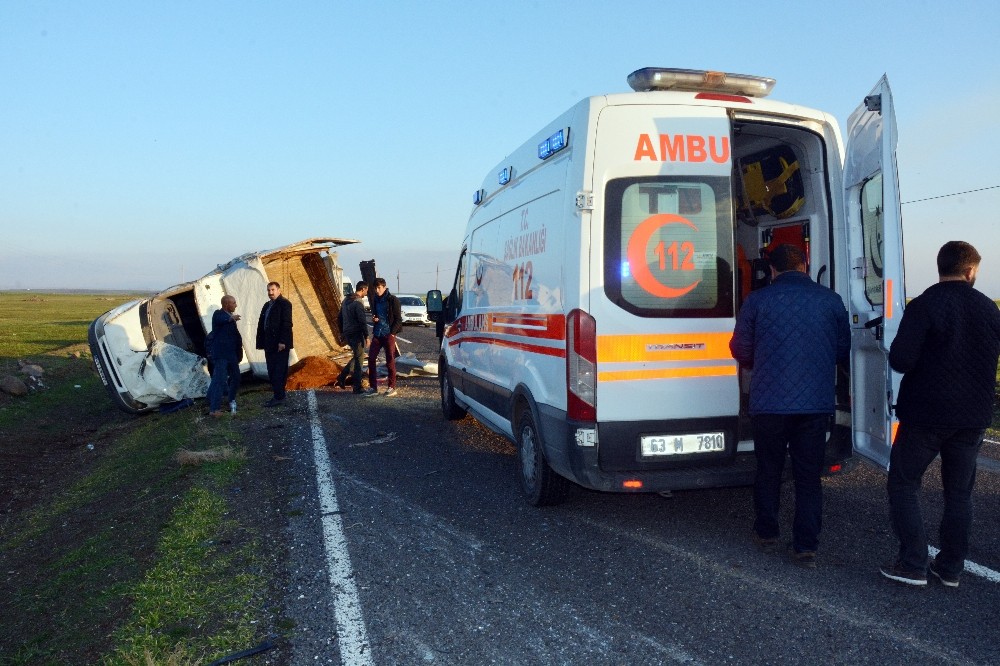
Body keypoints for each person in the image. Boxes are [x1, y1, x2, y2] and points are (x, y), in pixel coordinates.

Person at [880, 241, 1000, 588]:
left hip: (926, 415)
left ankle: (913, 562)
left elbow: (901, 359)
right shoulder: (988, 309)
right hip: (973, 418)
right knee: (959, 493)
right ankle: (950, 568)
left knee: (904, 482)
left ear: (940, 267)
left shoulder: (924, 305)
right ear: (970, 271)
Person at [729, 244, 850, 568]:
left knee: (769, 469)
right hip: (814, 405)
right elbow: (842, 349)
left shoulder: (757, 301)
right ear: (806, 264)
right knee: (808, 477)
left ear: (771, 269)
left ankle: (767, 533)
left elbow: (739, 348)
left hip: (769, 403)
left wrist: (762, 360)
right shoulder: (831, 300)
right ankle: (805, 546)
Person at [255, 281, 293, 406]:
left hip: (279, 344)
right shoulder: (267, 305)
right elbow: (263, 324)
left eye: (272, 290)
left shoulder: (284, 304)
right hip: (269, 343)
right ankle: (278, 395)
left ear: (278, 290)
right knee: (271, 370)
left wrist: (282, 341)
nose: (270, 293)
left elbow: (286, 324)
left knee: (279, 370)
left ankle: (279, 397)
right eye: (268, 290)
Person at [207, 295, 243, 417]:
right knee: (220, 380)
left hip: (231, 354)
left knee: (236, 378)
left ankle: (230, 400)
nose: (235, 305)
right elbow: (221, 319)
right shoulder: (218, 314)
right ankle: (214, 409)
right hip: (221, 354)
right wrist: (231, 319)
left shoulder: (229, 317)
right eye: (233, 303)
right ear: (226, 304)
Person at [365, 277, 402, 396]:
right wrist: (374, 319)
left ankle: (392, 387)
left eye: (379, 288)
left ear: (384, 287)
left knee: (390, 360)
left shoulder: (392, 300)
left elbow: (398, 319)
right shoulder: (375, 299)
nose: (377, 290)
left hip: (388, 334)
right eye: (375, 288)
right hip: (377, 333)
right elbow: (376, 315)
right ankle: (373, 388)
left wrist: (392, 333)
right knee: (371, 359)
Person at [336, 281, 369, 394]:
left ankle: (342, 376)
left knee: (357, 356)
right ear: (363, 289)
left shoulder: (346, 300)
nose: (367, 292)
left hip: (347, 332)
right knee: (359, 359)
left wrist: (341, 332)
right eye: (366, 290)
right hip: (356, 333)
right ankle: (356, 387)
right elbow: (362, 321)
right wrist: (367, 336)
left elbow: (339, 318)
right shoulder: (358, 302)